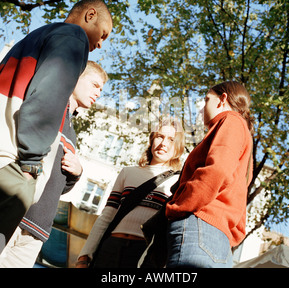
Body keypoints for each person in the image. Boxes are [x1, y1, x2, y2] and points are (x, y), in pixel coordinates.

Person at [0, 0, 113, 251]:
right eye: (103, 34)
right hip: (11, 163)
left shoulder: (39, 35)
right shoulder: (74, 38)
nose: (100, 44)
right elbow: (47, 98)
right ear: (90, 15)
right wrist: (31, 164)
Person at [0, 61, 108, 268]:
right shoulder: (48, 106)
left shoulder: (72, 133)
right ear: (76, 77)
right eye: (95, 85)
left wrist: (77, 173)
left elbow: (60, 187)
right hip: (15, 211)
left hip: (37, 229)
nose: (98, 93)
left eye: (101, 90)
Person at [165, 81, 254, 268]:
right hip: (218, 237)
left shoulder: (231, 120)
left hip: (200, 226)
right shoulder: (243, 133)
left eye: (206, 100)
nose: (202, 108)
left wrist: (180, 206)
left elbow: (217, 170)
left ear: (223, 99)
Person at [76, 118, 185, 268]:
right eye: (160, 136)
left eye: (171, 140)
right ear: (152, 139)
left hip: (144, 255)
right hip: (110, 248)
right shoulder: (127, 173)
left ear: (178, 147)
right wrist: (84, 256)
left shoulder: (179, 182)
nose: (164, 144)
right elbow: (107, 215)